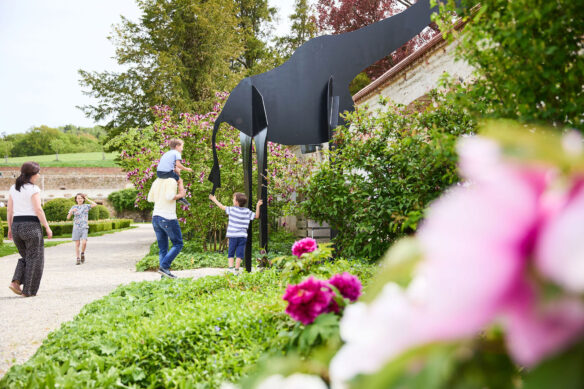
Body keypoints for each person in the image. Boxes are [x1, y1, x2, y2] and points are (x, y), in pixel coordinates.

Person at [7, 162, 53, 297]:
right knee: (35, 258)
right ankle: (28, 291)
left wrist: (10, 228)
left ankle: (16, 282)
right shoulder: (34, 189)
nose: (39, 175)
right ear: (32, 174)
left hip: (16, 226)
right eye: (38, 172)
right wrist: (47, 227)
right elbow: (38, 209)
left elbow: (9, 210)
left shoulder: (13, 188)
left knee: (27, 257)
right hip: (31, 226)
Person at [209, 193, 262, 274]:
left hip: (233, 236)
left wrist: (214, 199)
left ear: (236, 202)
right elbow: (257, 216)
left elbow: (221, 206)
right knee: (239, 253)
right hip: (242, 236)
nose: (233, 200)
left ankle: (230, 269)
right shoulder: (247, 211)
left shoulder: (232, 209)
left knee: (231, 252)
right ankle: (236, 270)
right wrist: (258, 206)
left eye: (233, 199)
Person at [147, 176, 187, 278]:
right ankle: (164, 267)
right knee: (178, 243)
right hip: (168, 217)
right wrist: (181, 194)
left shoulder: (157, 180)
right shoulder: (171, 181)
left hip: (155, 217)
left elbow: (149, 198)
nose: (180, 167)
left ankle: (164, 276)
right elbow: (170, 196)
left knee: (163, 248)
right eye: (177, 165)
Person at [157, 138, 193, 206]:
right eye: (182, 147)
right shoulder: (176, 153)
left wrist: (177, 172)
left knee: (176, 178)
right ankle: (181, 197)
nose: (182, 149)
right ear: (177, 146)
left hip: (159, 173)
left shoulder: (167, 153)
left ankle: (175, 194)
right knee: (180, 181)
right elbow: (178, 165)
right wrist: (187, 169)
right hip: (166, 172)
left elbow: (173, 166)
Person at [66, 193, 97, 265]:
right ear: (76, 199)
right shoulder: (73, 207)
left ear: (83, 199)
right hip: (76, 227)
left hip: (84, 227)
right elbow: (68, 217)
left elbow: (95, 204)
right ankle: (78, 258)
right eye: (78, 198)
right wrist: (71, 211)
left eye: (81, 198)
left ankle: (82, 253)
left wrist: (87, 198)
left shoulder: (86, 206)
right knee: (77, 244)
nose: (79, 199)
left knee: (84, 242)